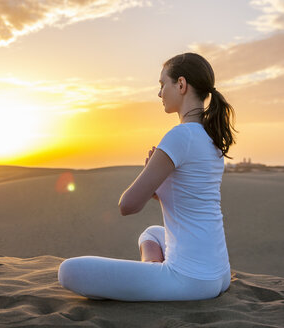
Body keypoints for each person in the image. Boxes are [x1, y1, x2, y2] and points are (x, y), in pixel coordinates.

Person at [58, 52, 237, 301]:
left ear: (181, 85)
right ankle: (153, 274)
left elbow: (127, 206)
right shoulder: (212, 140)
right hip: (219, 275)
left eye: (163, 84)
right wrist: (158, 185)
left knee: (68, 271)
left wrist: (149, 171)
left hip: (190, 280)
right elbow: (188, 199)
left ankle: (154, 276)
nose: (159, 93)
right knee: (151, 233)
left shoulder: (180, 136)